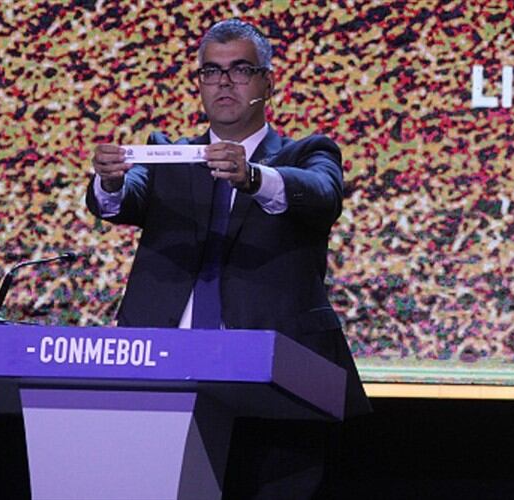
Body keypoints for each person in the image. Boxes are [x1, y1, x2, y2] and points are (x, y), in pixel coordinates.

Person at [87, 19, 370, 498]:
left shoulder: (307, 154)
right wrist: (109, 182)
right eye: (211, 71)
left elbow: (323, 195)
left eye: (240, 69)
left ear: (267, 81)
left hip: (274, 387)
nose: (224, 81)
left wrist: (254, 178)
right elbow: (121, 202)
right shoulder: (168, 154)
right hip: (163, 376)